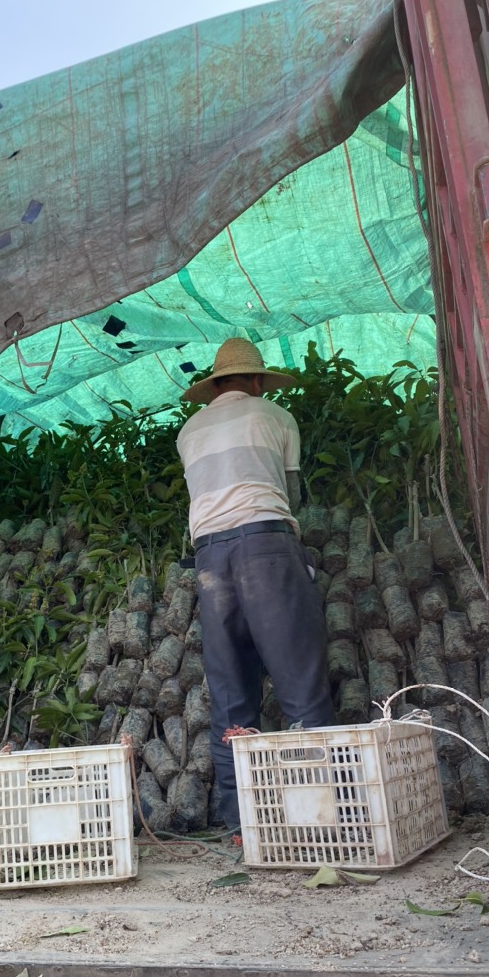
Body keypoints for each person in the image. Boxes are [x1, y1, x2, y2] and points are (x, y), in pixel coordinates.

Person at [176, 337, 336, 832]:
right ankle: (322, 815)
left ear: (214, 386)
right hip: (264, 545)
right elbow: (286, 493)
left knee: (229, 690)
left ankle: (240, 822)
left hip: (208, 557)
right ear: (256, 381)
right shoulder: (274, 416)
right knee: (299, 679)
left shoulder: (188, 430)